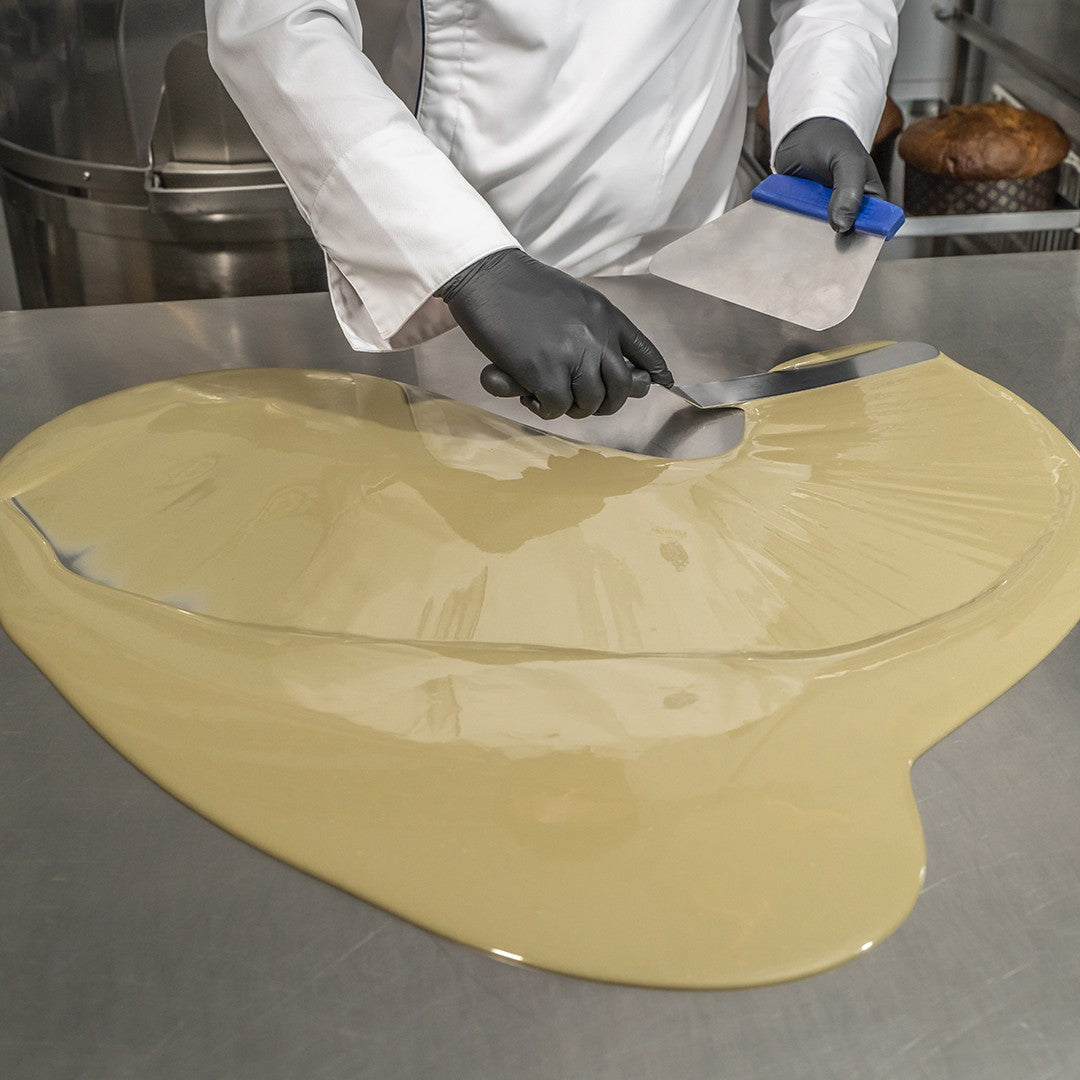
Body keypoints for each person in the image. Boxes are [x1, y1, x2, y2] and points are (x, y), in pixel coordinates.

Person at [205, 0, 903, 420]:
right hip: (459, 274)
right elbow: (276, 25)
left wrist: (827, 99)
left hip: (696, 264)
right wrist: (466, 262)